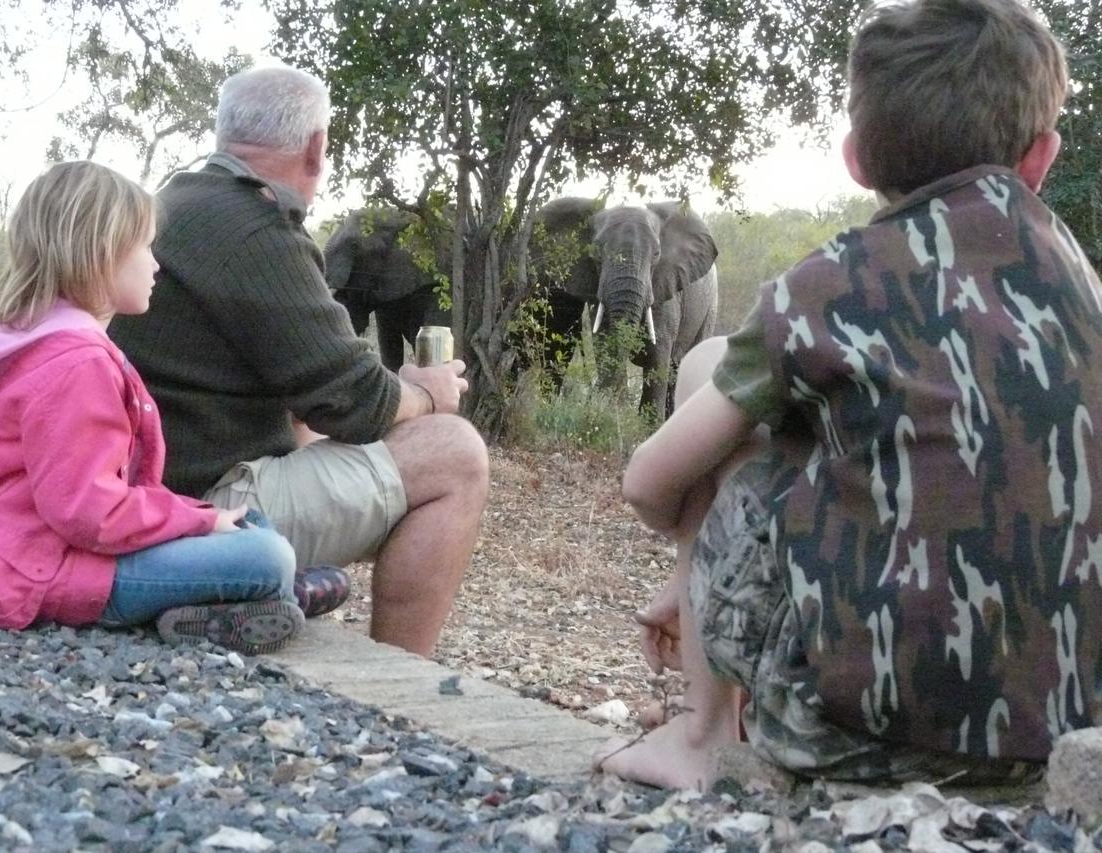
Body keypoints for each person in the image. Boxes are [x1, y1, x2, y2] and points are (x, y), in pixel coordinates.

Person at [599, 0, 1102, 788]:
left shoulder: (833, 282)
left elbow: (646, 481)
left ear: (856, 161)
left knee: (705, 371)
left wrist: (692, 555)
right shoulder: (1085, 290)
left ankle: (698, 736)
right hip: (1065, 743)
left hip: (849, 743)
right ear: (1041, 159)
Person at [108, 66, 489, 657]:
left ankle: (247, 592)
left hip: (147, 489)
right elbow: (357, 401)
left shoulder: (177, 201)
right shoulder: (254, 227)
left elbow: (313, 392)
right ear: (316, 148)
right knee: (456, 454)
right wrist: (426, 393)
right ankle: (404, 676)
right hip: (199, 505)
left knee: (306, 425)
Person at [0, 160, 318, 656]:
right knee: (266, 555)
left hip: (34, 557)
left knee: (249, 523)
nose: (156, 264)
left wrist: (202, 514)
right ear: (100, 254)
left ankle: (254, 597)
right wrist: (197, 521)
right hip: (46, 574)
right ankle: (260, 592)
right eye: (145, 247)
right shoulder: (76, 364)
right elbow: (90, 513)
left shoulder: (49, 344)